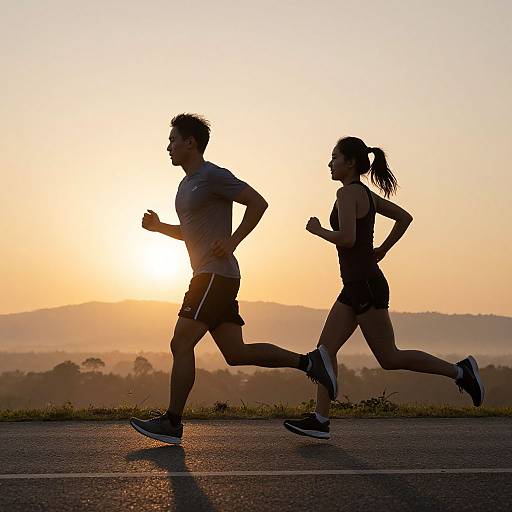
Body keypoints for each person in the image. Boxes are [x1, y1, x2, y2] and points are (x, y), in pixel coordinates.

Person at [130, 113, 336, 444]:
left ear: (190, 142)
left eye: (172, 140)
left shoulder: (212, 175)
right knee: (236, 353)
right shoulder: (186, 186)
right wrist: (159, 228)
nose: (167, 146)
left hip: (214, 275)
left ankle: (172, 422)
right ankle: (309, 363)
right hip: (211, 275)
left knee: (180, 343)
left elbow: (258, 202)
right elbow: (191, 233)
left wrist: (233, 241)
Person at [283, 136, 484, 440]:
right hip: (356, 285)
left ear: (350, 163)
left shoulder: (347, 193)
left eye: (335, 157)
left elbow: (348, 238)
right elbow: (404, 218)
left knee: (389, 357)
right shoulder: (365, 194)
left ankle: (461, 371)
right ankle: (320, 419)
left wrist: (318, 231)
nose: (329, 163)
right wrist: (384, 248)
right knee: (324, 353)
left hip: (365, 285)